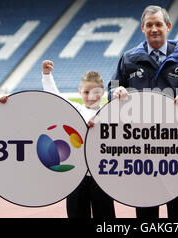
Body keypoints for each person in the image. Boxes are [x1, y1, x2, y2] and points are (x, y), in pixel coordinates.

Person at [109, 5, 178, 218]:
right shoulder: (128, 58)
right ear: (142, 28)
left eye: (158, 24)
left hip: (177, 142)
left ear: (168, 26)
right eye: (149, 25)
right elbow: (112, 88)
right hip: (140, 143)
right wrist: (116, 92)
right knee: (145, 202)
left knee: (176, 205)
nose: (154, 29)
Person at [41, 59, 116, 218]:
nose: (91, 96)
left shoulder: (109, 113)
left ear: (103, 92)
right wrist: (47, 75)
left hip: (102, 176)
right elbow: (54, 97)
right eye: (86, 92)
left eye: (95, 92)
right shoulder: (74, 110)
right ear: (79, 91)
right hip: (76, 177)